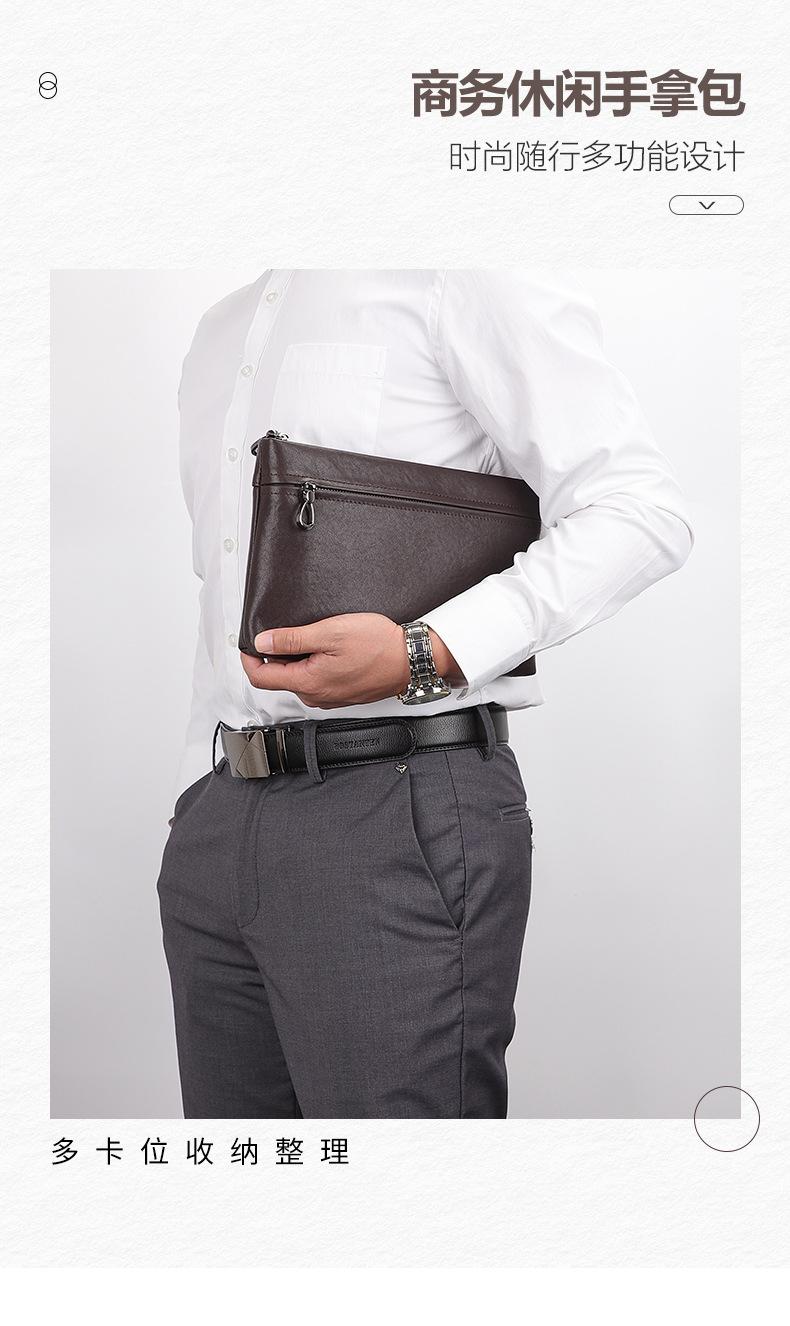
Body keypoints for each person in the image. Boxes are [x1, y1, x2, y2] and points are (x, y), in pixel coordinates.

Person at [156, 268, 693, 1119]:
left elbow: (640, 512)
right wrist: (199, 792)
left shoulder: (462, 267)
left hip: (395, 809)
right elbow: (223, 585)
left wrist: (425, 652)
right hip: (221, 821)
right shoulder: (221, 328)